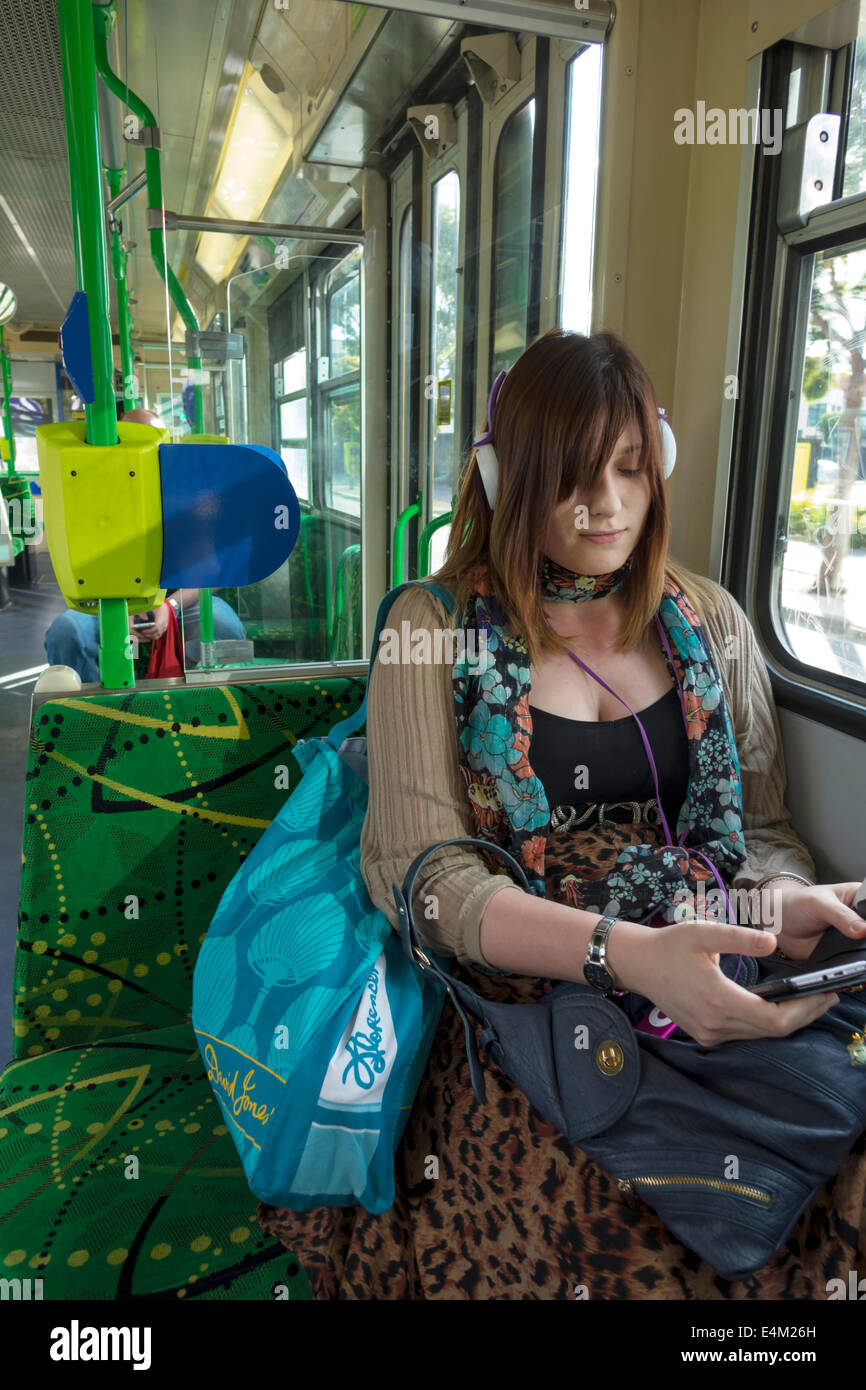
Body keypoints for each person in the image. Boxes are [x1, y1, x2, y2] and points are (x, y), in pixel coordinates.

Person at [257, 329, 866, 1300]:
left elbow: (759, 838)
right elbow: (423, 882)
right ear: (505, 479)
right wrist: (622, 953)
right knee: (630, 1243)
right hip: (514, 988)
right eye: (569, 477)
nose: (606, 505)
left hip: (702, 939)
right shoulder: (433, 625)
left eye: (629, 468)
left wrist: (774, 906)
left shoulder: (710, 621)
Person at [44, 408, 246, 682]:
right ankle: (90, 709)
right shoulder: (97, 496)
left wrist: (169, 607)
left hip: (179, 602)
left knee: (225, 627)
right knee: (64, 632)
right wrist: (118, 613)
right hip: (108, 603)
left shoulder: (188, 496)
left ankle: (199, 698)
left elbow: (211, 573)